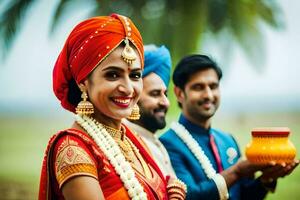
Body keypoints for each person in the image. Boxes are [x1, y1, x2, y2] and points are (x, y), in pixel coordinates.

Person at [38, 14, 186, 200]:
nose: (128, 88)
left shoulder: (135, 141)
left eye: (135, 76)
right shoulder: (73, 149)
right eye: (113, 75)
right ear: (83, 82)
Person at [159, 54, 299, 200]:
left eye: (213, 86)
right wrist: (237, 171)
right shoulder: (167, 145)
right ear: (179, 93)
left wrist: (267, 179)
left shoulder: (227, 140)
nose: (208, 95)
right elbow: (189, 196)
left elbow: (243, 196)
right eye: (198, 87)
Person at [124, 44, 177, 179]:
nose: (165, 102)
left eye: (165, 94)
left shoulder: (152, 140)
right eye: (155, 94)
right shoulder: (122, 144)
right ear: (132, 96)